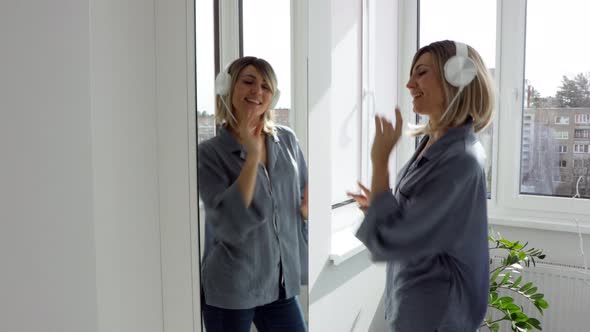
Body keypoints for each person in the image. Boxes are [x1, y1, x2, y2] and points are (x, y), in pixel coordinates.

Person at [349, 40, 495, 331]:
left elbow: (395, 240)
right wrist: (378, 206)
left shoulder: (460, 158)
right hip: (414, 299)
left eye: (421, 73)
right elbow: (413, 219)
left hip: (436, 313)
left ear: (457, 76)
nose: (409, 84)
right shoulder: (432, 143)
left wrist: (380, 163)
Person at [197, 56, 308, 332]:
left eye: (266, 86)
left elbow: (303, 190)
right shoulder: (208, 153)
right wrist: (253, 156)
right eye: (248, 82)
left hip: (279, 284)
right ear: (228, 88)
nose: (257, 91)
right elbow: (229, 223)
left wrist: (305, 209)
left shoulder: (287, 139)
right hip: (231, 289)